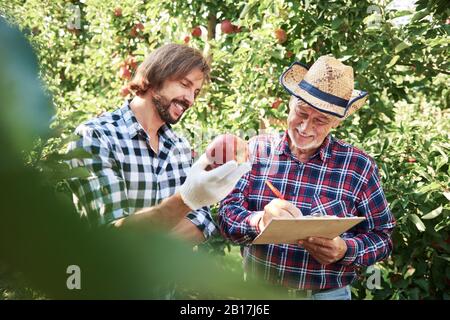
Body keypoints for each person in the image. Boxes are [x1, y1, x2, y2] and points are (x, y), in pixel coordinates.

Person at [218, 55, 396, 300]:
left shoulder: (358, 166)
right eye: (301, 113)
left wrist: (345, 250)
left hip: (326, 295)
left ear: (335, 123)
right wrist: (259, 222)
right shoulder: (257, 151)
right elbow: (227, 215)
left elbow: (382, 236)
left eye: (320, 120)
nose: (305, 127)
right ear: (290, 105)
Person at [67, 43, 250, 244]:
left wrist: (145, 240)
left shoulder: (179, 147)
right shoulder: (96, 136)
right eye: (184, 84)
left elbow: (203, 223)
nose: (190, 99)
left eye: (196, 92)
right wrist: (186, 199)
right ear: (156, 76)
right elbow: (112, 236)